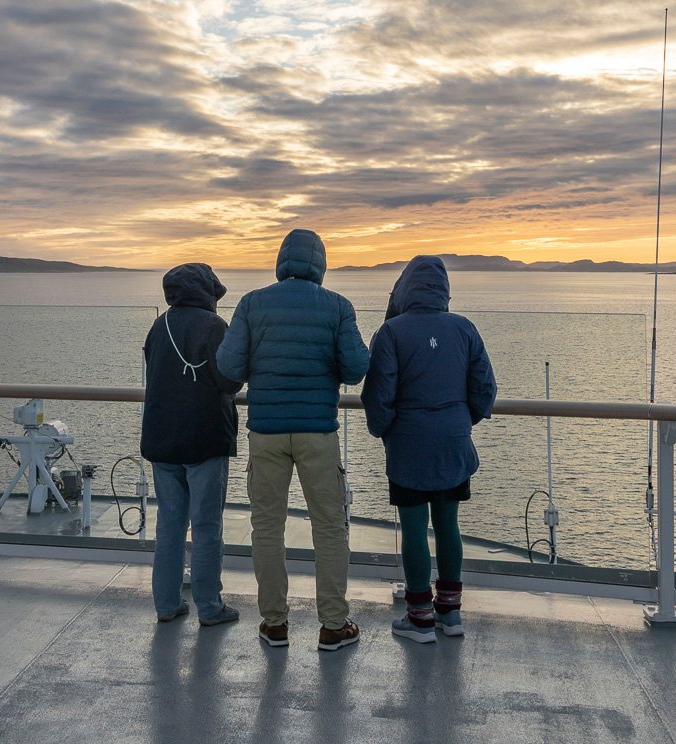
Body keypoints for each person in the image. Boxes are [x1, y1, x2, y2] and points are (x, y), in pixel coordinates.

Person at [216, 229, 370, 651]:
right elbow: (356, 368)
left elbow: (228, 367)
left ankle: (274, 624)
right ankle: (333, 626)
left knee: (267, 527)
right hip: (318, 432)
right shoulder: (337, 306)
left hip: (266, 432)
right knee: (330, 527)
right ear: (320, 263)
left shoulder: (252, 303)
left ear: (281, 261)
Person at [360, 255, 496, 644]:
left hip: (409, 442)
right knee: (448, 524)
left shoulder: (391, 332)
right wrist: (462, 421)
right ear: (444, 289)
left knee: (415, 527)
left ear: (404, 289)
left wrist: (382, 430)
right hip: (453, 440)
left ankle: (419, 617)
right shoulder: (464, 328)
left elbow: (379, 395)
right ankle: (450, 613)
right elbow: (485, 388)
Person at [141, 263, 242, 627]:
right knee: (206, 526)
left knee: (169, 525)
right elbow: (229, 381)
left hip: (162, 437)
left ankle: (166, 604)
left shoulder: (159, 325)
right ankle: (210, 606)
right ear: (207, 291)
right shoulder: (214, 326)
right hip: (204, 438)